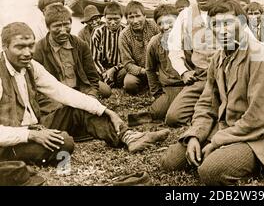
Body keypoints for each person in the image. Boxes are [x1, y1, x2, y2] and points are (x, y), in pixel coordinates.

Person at [161, 0, 264, 185]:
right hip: (229, 128)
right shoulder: (219, 58)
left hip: (262, 137)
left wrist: (217, 142)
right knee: (171, 161)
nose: (222, 31)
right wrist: (195, 135)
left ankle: (257, 163)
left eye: (228, 23)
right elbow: (206, 104)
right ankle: (222, 151)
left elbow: (259, 119)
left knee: (210, 172)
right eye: (216, 25)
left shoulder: (261, 57)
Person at [0, 22, 170, 166]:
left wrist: (105, 110)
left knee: (81, 108)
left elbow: (62, 92)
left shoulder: (32, 66)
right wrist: (31, 135)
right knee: (65, 142)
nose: (28, 52)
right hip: (10, 141)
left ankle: (128, 136)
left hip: (36, 127)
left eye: (31, 46)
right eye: (20, 47)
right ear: (4, 46)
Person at [165, 0, 220, 127]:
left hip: (228, 76)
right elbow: (173, 46)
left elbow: (249, 43)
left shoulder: (229, 10)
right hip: (202, 76)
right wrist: (183, 71)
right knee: (173, 117)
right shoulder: (186, 14)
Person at [33, 4, 111, 99]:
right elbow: (37, 83)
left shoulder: (81, 45)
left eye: (66, 25)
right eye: (57, 26)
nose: (63, 31)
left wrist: (92, 95)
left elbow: (92, 76)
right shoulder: (39, 49)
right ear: (48, 27)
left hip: (79, 87)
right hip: (56, 92)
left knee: (105, 91)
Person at [127, 5, 184, 125]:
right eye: (160, 24)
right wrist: (156, 93)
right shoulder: (154, 43)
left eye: (170, 22)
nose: (165, 27)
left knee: (175, 114)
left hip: (188, 85)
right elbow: (150, 70)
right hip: (169, 88)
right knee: (158, 111)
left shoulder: (187, 39)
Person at [119, 1, 159, 95]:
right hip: (139, 71)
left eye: (138, 16)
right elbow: (127, 63)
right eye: (131, 17)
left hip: (156, 69)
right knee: (129, 84)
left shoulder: (154, 26)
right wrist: (144, 71)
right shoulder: (124, 35)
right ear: (127, 19)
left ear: (145, 16)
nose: (135, 21)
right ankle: (144, 85)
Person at [91, 1, 127, 88]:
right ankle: (107, 82)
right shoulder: (98, 32)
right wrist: (104, 73)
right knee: (93, 74)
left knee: (125, 73)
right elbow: (95, 59)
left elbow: (129, 58)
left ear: (121, 18)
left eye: (116, 19)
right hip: (102, 68)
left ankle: (114, 83)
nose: (113, 22)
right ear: (104, 18)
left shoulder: (126, 32)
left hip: (119, 68)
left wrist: (114, 69)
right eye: (109, 19)